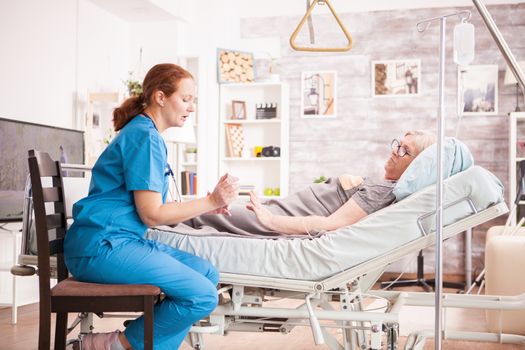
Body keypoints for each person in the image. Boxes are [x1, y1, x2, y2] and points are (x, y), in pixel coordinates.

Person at [64, 63, 239, 350]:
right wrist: (210, 200)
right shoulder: (144, 136)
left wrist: (208, 206)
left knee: (208, 275)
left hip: (117, 241)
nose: (191, 108)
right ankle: (111, 345)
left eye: (193, 100)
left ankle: (134, 343)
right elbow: (152, 214)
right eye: (186, 99)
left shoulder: (146, 134)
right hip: (100, 247)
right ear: (160, 97)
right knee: (203, 296)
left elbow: (152, 206)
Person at [183, 130, 435, 237]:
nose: (394, 151)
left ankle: (156, 219)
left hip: (281, 214)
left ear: (417, 166)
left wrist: (269, 220)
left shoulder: (383, 191)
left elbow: (331, 225)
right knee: (211, 210)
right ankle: (164, 212)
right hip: (286, 206)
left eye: (405, 150)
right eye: (397, 144)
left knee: (208, 216)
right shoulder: (385, 186)